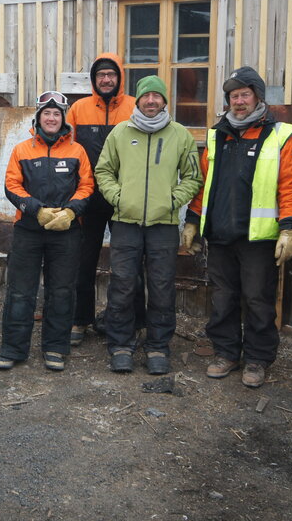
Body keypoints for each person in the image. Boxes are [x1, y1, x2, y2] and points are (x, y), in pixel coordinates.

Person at [183, 67, 292, 389]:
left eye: (244, 95)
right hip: (221, 234)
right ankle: (225, 353)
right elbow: (204, 185)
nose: (238, 101)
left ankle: (257, 358)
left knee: (257, 299)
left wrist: (290, 229)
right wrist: (193, 221)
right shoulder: (217, 136)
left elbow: (290, 188)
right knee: (223, 298)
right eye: (233, 96)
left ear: (257, 97)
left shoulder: (279, 136)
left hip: (258, 239)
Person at [94, 75, 202, 374]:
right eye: (146, 96)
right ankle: (121, 344)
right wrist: (118, 197)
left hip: (163, 226)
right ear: (138, 100)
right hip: (125, 224)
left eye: (157, 96)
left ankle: (157, 347)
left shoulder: (180, 135)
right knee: (122, 286)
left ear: (165, 101)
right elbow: (103, 171)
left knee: (162, 288)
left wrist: (171, 200)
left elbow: (193, 177)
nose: (151, 101)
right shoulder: (120, 133)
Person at [0, 92, 94, 372]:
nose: (51, 118)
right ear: (38, 117)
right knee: (20, 291)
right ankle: (13, 348)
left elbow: (87, 186)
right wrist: (36, 209)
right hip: (28, 230)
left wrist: (71, 211)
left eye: (57, 114)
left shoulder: (77, 151)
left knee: (61, 291)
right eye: (46, 113)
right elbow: (12, 185)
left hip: (66, 232)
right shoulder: (22, 150)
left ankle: (55, 348)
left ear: (64, 119)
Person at [66, 53, 144, 346]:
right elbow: (67, 148)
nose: (106, 79)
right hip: (88, 197)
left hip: (126, 198)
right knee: (82, 261)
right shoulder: (79, 109)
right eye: (101, 75)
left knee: (130, 263)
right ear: (93, 79)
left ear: (120, 77)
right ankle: (79, 320)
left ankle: (135, 321)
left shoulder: (134, 106)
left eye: (111, 74)